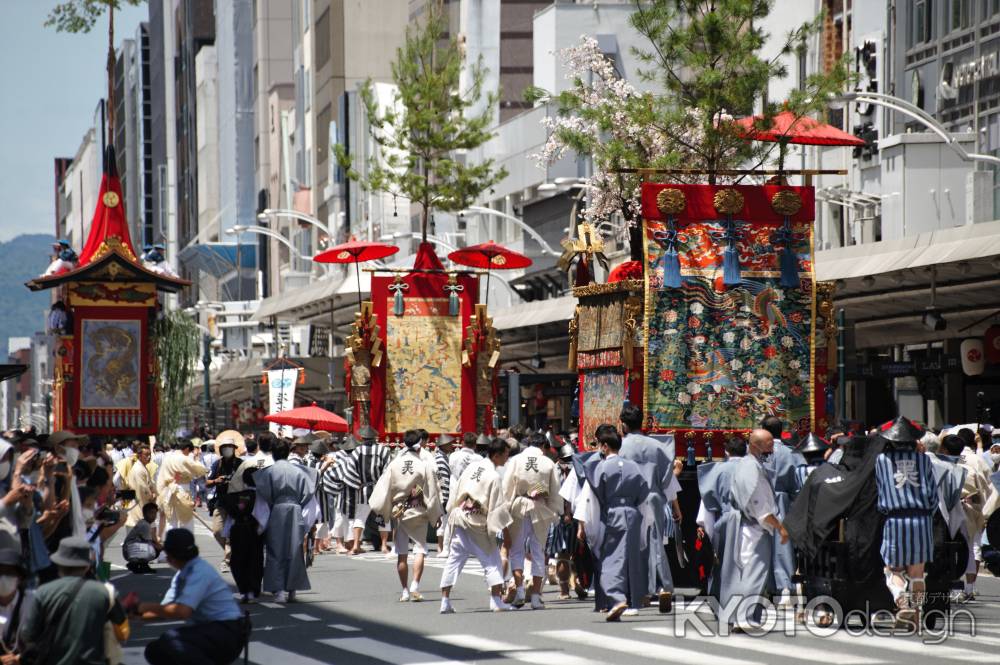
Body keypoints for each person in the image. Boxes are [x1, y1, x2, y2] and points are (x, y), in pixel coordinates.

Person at [130, 529, 245, 665]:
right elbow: (165, 610)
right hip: (212, 631)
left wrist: (145, 606)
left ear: (170, 557)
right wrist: (133, 615)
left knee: (171, 641)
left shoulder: (199, 571)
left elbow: (182, 611)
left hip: (227, 632)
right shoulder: (181, 575)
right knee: (155, 650)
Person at [718, 429, 787, 631]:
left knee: (744, 571)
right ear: (755, 445)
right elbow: (760, 506)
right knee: (753, 571)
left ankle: (739, 615)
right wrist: (780, 526)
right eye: (769, 445)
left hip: (747, 524)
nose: (772, 450)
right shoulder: (751, 468)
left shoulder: (749, 464)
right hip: (754, 527)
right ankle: (744, 617)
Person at [579, 425, 650, 622]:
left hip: (612, 513)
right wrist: (645, 525)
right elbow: (644, 498)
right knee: (631, 558)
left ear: (604, 446)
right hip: (633, 513)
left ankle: (617, 598)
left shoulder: (600, 468)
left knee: (611, 559)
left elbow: (592, 501)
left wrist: (589, 529)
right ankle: (632, 600)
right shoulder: (634, 467)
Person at [20, 536, 128, 665]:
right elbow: (123, 632)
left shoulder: (43, 592)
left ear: (58, 565)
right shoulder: (105, 592)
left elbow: (28, 634)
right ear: (87, 566)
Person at [874, 417, 938, 626]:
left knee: (893, 569)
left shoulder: (882, 460)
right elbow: (933, 495)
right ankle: (917, 613)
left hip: (895, 519)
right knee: (917, 573)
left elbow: (881, 490)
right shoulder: (924, 460)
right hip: (922, 519)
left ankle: (903, 604)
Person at [440, 438, 514, 614]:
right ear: (496, 455)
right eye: (505, 454)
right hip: (477, 521)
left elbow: (456, 491)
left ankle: (445, 601)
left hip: (459, 517)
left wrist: (451, 510)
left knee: (454, 560)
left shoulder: (472, 467)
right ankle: (496, 601)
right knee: (493, 560)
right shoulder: (493, 476)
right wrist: (505, 531)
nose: (507, 458)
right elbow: (497, 508)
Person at [618, 404, 680, 613]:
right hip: (654, 496)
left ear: (624, 425)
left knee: (634, 544)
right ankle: (663, 586)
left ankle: (642, 590)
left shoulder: (621, 447)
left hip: (631, 497)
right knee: (656, 542)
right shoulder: (657, 446)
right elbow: (667, 476)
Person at [369, 430, 442, 602]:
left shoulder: (394, 464)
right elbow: (432, 492)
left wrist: (384, 510)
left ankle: (404, 590)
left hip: (399, 511)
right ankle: (415, 585)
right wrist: (436, 514)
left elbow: (384, 488)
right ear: (420, 444)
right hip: (418, 509)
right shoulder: (424, 464)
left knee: (402, 552)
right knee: (420, 548)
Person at [501, 431, 563, 610]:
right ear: (543, 446)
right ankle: (535, 596)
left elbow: (507, 487)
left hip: (519, 506)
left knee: (516, 551)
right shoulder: (548, 463)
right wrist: (555, 511)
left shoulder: (516, 460)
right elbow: (555, 491)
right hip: (540, 508)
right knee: (538, 552)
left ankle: (520, 591)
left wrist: (504, 509)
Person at [253, 439, 319, 603]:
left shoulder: (267, 472)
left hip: (276, 510)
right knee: (295, 549)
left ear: (273, 454)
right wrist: (308, 523)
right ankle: (292, 589)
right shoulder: (301, 472)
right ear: (288, 452)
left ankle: (279, 591)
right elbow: (310, 501)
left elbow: (261, 501)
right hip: (296, 510)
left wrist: (260, 524)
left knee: (275, 550)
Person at [941, 433, 992, 602]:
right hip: (971, 508)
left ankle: (949, 585)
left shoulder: (939, 464)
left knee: (947, 547)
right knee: (972, 548)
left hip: (948, 511)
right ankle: (969, 587)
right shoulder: (975, 462)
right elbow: (987, 485)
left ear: (945, 449)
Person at [759, 415, 803, 606]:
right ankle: (785, 586)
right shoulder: (790, 453)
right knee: (782, 541)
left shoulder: (758, 452)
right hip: (783, 500)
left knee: (761, 543)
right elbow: (799, 481)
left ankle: (764, 586)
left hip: (761, 501)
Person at [696, 435, 746, 599]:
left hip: (725, 517)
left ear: (726, 452)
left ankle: (720, 593)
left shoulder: (717, 470)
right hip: (750, 519)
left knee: (722, 557)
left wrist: (705, 526)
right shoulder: (754, 468)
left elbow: (708, 499)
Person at [338, 426, 392, 555]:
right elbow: (388, 470)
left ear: (362, 437)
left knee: (360, 517)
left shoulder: (357, 451)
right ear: (375, 437)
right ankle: (384, 545)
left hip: (364, 489)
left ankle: (356, 545)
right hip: (379, 488)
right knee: (382, 517)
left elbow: (350, 470)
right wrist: (384, 485)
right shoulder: (383, 450)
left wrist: (357, 483)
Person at [224, 463, 265, 603]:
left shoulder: (235, 497)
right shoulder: (260, 496)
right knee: (255, 560)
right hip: (254, 530)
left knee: (238, 560)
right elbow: (263, 516)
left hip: (238, 529)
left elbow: (230, 519)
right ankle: (253, 591)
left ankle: (243, 591)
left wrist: (227, 533)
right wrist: (261, 531)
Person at [206, 436, 243, 573]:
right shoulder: (217, 464)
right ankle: (232, 553)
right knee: (217, 531)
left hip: (237, 503)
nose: (228, 449)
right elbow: (207, 483)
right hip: (221, 502)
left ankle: (227, 560)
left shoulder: (240, 464)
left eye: (230, 447)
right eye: (225, 447)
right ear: (221, 450)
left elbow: (248, 481)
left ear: (234, 449)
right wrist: (217, 480)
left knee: (233, 533)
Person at [156, 440, 207, 535]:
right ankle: (186, 542)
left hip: (168, 491)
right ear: (187, 449)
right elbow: (202, 470)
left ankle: (171, 542)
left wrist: (160, 493)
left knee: (171, 521)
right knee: (186, 520)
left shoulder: (167, 458)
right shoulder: (184, 458)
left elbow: (161, 478)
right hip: (182, 490)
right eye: (190, 451)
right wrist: (195, 458)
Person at [0, 537, 32, 661]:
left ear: (19, 578)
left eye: (9, 573)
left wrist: (19, 659)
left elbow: (41, 640)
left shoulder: (32, 602)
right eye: (0, 572)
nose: (3, 578)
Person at [123, 502, 161, 574]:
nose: (153, 516)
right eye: (151, 513)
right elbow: (150, 543)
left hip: (129, 550)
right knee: (154, 549)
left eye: (155, 513)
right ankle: (136, 564)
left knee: (154, 547)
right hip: (130, 551)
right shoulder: (145, 525)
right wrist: (161, 547)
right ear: (144, 514)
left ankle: (139, 565)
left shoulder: (144, 522)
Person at [434, 434, 455, 557]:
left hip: (442, 495)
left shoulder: (442, 457)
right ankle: (442, 547)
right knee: (444, 522)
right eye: (449, 444)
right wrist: (445, 497)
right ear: (444, 445)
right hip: (443, 494)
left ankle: (441, 547)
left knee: (443, 522)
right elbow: (443, 481)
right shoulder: (441, 460)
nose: (452, 446)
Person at [125, 446, 156, 528]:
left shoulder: (142, 467)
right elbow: (143, 489)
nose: (149, 457)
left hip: (140, 504)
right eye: (146, 454)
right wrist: (152, 496)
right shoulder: (138, 469)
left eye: (149, 454)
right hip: (140, 505)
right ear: (139, 455)